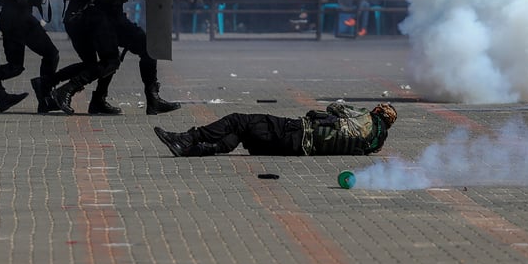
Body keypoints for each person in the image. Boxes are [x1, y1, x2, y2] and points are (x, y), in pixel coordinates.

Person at [49, 0, 180, 117]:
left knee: (147, 48)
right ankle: (65, 90)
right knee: (110, 60)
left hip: (115, 15)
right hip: (96, 15)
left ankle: (152, 99)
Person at [154, 101, 397, 157]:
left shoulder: (364, 117)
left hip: (297, 131)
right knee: (245, 132)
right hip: (296, 149)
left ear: (377, 113)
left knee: (238, 120)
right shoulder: (371, 145)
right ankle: (194, 150)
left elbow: (335, 107)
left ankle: (188, 137)